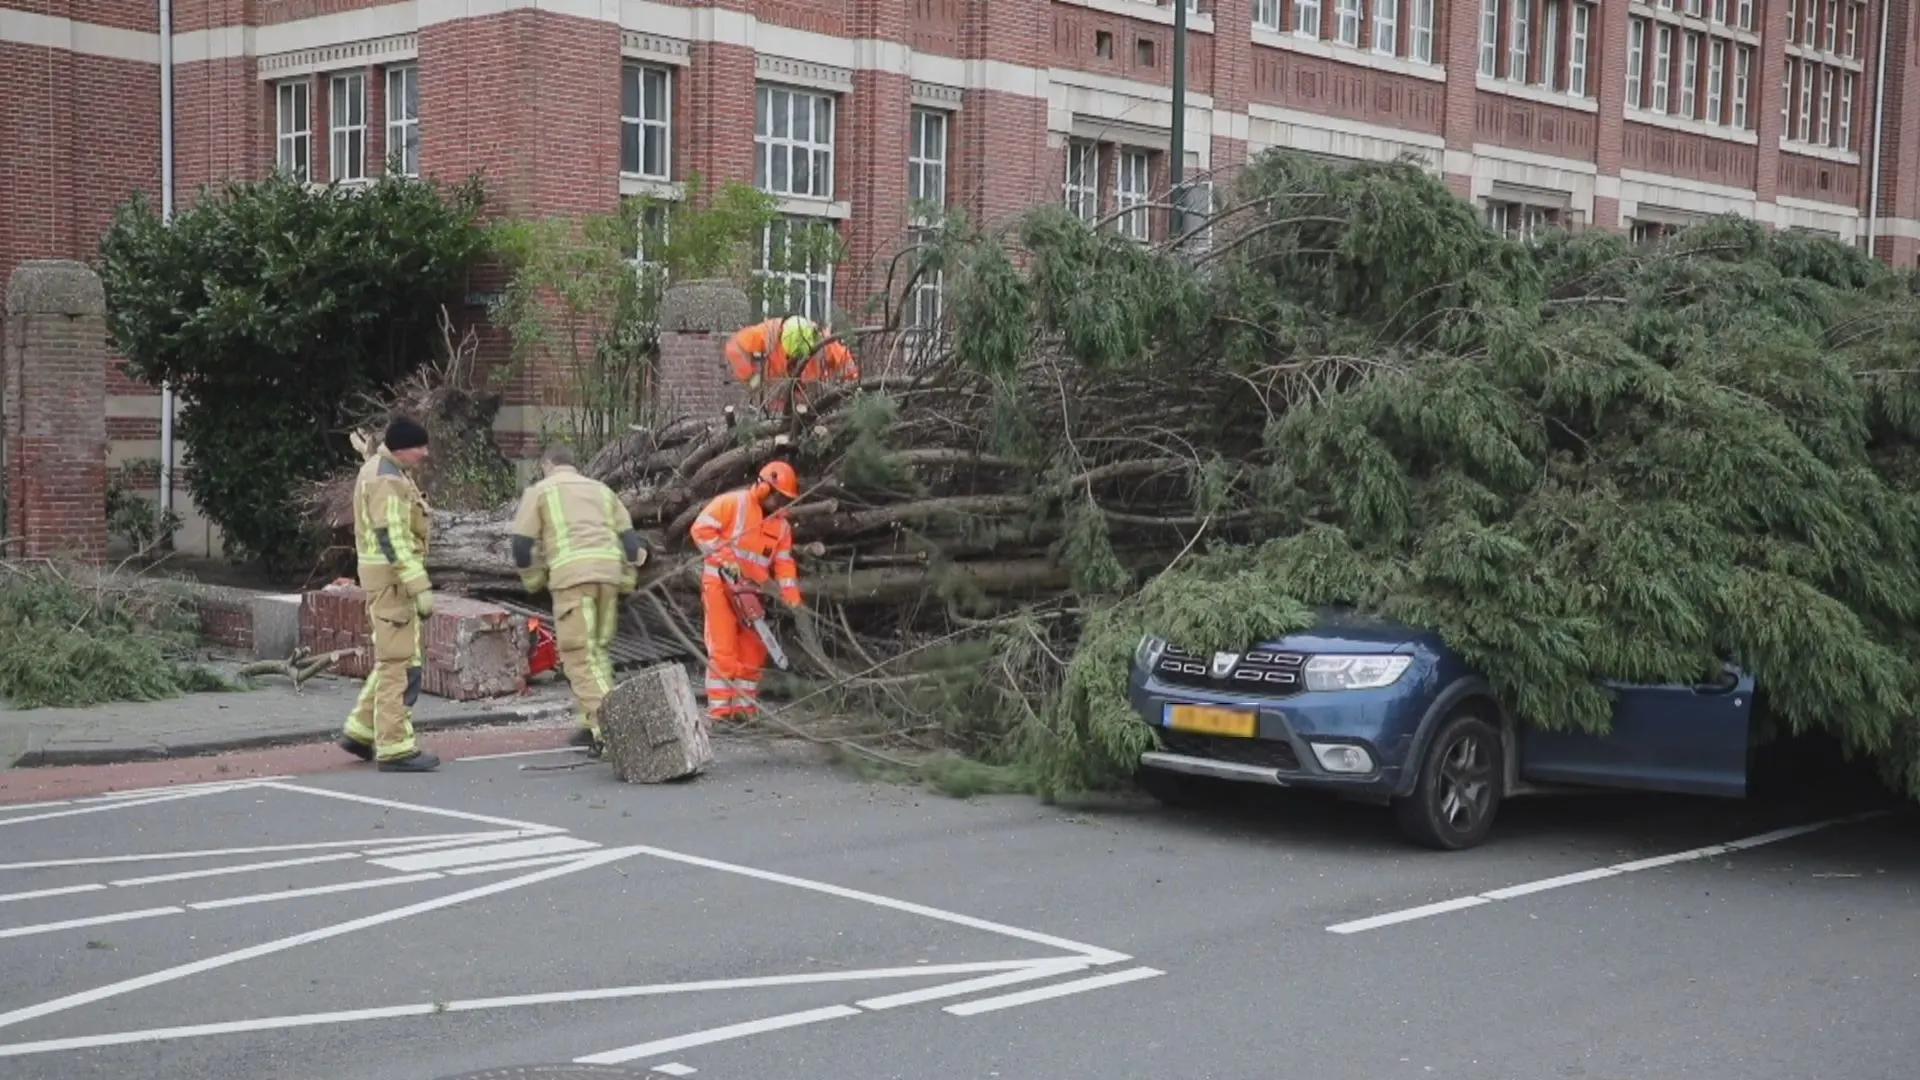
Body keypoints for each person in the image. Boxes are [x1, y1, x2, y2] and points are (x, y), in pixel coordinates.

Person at [510, 443, 650, 756]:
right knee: (597, 653)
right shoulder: (602, 491)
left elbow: (521, 546)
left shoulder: (540, 491)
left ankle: (615, 729)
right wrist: (626, 580)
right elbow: (630, 543)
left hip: (573, 581)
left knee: (579, 658)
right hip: (608, 578)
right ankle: (591, 725)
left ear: (548, 464)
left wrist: (534, 581)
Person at [338, 417, 441, 772]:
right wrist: (419, 586)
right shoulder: (388, 479)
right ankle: (395, 746)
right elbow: (393, 539)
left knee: (394, 658)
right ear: (402, 447)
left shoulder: (381, 469)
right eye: (420, 447)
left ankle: (361, 731)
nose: (425, 454)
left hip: (385, 580)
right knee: (400, 664)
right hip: (393, 582)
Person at [689, 461, 805, 723]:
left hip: (752, 592)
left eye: (784, 499)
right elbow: (701, 529)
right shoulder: (734, 503)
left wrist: (791, 597)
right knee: (723, 649)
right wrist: (726, 558)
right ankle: (720, 713)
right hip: (720, 584)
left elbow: (784, 563)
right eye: (777, 496)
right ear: (764, 488)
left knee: (753, 649)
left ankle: (744, 710)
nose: (780, 503)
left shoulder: (782, 526)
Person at [723, 315, 860, 413]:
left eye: (799, 358)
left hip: (813, 407)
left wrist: (850, 391)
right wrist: (750, 377)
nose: (795, 362)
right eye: (790, 357)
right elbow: (734, 347)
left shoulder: (822, 341)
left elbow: (847, 365)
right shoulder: (769, 333)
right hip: (774, 406)